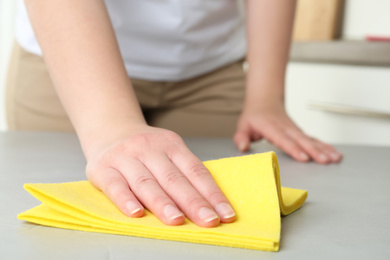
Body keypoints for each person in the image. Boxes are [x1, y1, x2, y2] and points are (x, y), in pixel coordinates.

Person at [6, 0, 342, 228]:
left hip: (210, 68)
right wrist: (109, 126)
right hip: (70, 63)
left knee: (215, 216)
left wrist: (266, 96)